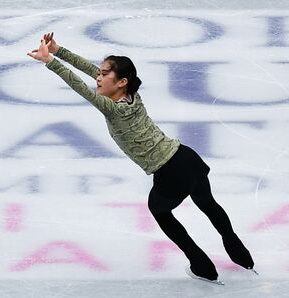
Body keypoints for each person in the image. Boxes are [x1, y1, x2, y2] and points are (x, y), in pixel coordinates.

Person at [27, 33, 255, 284]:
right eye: (100, 73)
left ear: (122, 81)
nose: (99, 78)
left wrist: (52, 62)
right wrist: (59, 51)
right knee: (207, 203)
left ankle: (202, 265)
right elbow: (91, 72)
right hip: (186, 157)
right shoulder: (132, 95)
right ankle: (241, 255)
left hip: (169, 171)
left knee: (159, 210)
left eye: (104, 74)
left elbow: (80, 86)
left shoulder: (112, 108)